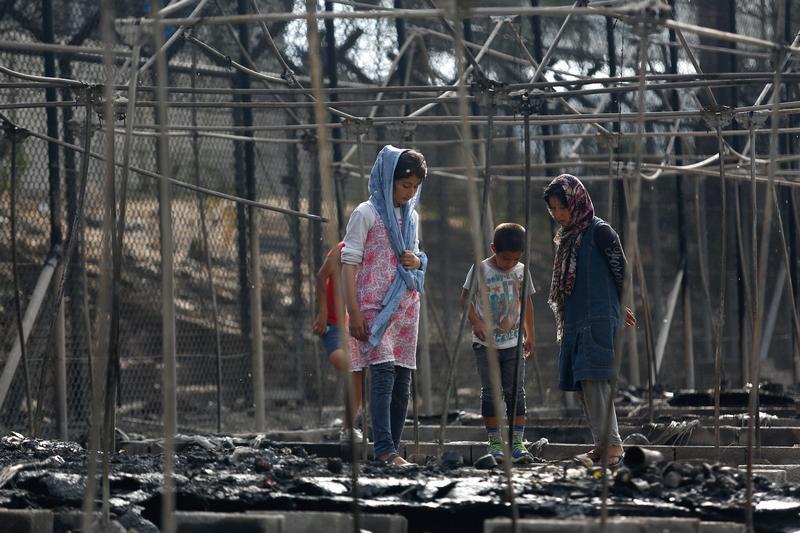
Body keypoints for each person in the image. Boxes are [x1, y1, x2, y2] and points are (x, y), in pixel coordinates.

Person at [341, 146, 428, 466]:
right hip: (374, 307)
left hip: (405, 306)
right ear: (388, 178)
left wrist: (416, 260)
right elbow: (348, 263)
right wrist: (354, 311)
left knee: (403, 379)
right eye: (405, 185)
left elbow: (415, 258)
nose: (409, 193)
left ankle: (393, 448)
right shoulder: (366, 213)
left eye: (415, 188)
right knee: (382, 375)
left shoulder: (411, 216)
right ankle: (384, 449)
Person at [543, 174, 636, 468]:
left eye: (562, 208)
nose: (558, 215)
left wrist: (621, 306)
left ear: (576, 202)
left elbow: (621, 271)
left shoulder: (600, 232)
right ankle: (601, 443)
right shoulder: (569, 237)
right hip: (575, 318)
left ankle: (614, 446)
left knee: (596, 378)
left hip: (597, 316)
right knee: (584, 382)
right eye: (553, 210)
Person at [460, 223, 536, 465]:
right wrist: (477, 323)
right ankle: (494, 442)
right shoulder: (480, 270)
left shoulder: (522, 271)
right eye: (505, 258)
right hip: (486, 344)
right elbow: (465, 299)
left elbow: (527, 303)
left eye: (516, 259)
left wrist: (530, 334)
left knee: (516, 392)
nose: (510, 263)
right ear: (493, 249)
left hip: (513, 343)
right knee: (491, 392)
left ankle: (517, 442)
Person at [313, 241, 364, 443]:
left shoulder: (376, 251)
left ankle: (349, 426)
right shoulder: (342, 250)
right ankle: (350, 423)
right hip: (334, 324)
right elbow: (320, 277)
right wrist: (323, 312)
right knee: (347, 363)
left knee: (357, 370)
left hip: (356, 323)